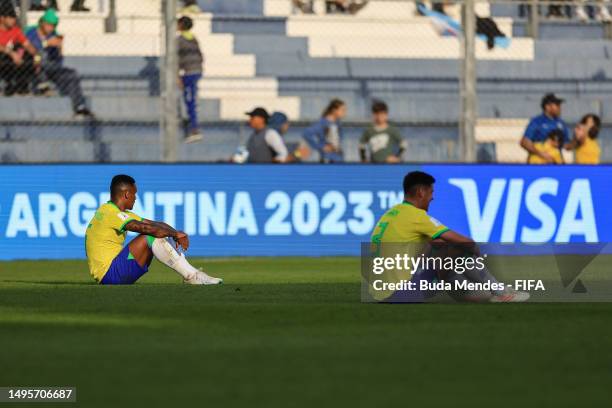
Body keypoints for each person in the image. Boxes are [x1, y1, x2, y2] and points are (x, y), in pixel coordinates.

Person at [370, 171, 529, 303]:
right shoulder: (417, 216)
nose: (432, 197)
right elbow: (462, 241)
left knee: (440, 251)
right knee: (459, 248)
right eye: (431, 192)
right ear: (421, 192)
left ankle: (472, 293)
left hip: (379, 294)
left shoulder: (391, 214)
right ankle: (500, 292)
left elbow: (433, 244)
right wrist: (474, 249)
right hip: (401, 294)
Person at [85, 175, 223, 285]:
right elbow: (146, 228)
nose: (135, 198)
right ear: (127, 194)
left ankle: (193, 275)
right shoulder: (110, 213)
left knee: (156, 231)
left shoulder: (116, 212)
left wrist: (176, 234)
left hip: (114, 273)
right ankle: (192, 276)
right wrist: (175, 234)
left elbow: (155, 224)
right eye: (134, 194)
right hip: (110, 274)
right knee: (150, 236)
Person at [25, 9, 93, 117]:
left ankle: (79, 106)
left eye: (53, 25)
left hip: (51, 68)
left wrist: (60, 50)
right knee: (39, 58)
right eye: (49, 25)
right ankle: (40, 86)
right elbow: (30, 48)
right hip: (35, 68)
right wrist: (46, 43)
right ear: (42, 23)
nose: (51, 28)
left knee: (72, 74)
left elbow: (58, 61)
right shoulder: (32, 32)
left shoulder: (53, 35)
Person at [520, 93, 571, 164]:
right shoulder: (537, 121)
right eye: (557, 105)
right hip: (538, 163)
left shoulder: (561, 123)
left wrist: (576, 141)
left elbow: (567, 145)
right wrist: (542, 154)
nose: (559, 108)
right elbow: (524, 142)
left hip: (555, 162)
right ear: (547, 106)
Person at [0, 4, 40, 95]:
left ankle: (22, 86)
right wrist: (11, 53)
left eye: (14, 18)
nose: (13, 20)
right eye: (10, 18)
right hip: (3, 59)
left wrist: (37, 56)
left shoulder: (15, 30)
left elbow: (27, 45)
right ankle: (8, 85)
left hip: (13, 61)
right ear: (2, 18)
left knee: (24, 52)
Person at [178, 16, 204, 144]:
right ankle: (192, 127)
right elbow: (200, 56)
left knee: (189, 101)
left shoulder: (180, 40)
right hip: (196, 71)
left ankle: (194, 129)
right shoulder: (194, 39)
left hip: (187, 73)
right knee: (191, 100)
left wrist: (178, 75)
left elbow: (175, 59)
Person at [303, 99, 346, 163]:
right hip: (327, 160)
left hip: (339, 159)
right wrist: (321, 147)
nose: (345, 112)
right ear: (334, 110)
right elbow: (306, 134)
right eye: (342, 110)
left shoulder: (338, 123)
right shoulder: (322, 123)